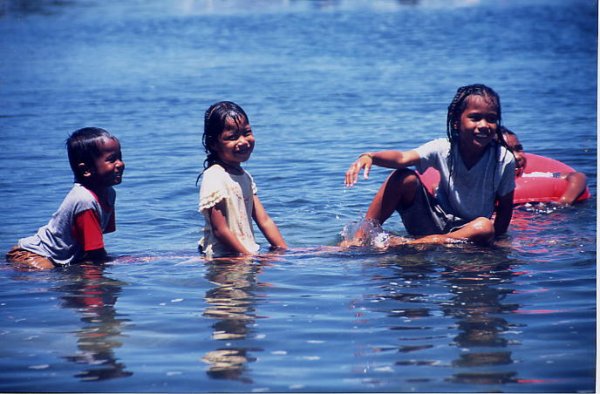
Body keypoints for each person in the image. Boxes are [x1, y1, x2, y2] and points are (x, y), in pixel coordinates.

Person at [344, 84, 515, 246]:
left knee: (484, 226)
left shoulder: (503, 159)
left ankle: (413, 244)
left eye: (491, 119)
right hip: (433, 221)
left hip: (468, 232)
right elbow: (403, 158)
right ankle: (361, 237)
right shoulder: (443, 148)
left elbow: (505, 209)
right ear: (456, 122)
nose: (484, 125)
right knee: (404, 177)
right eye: (475, 118)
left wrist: (495, 241)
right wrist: (371, 157)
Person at [6, 127, 125, 270]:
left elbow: (92, 247)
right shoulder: (85, 201)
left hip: (57, 257)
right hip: (31, 255)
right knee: (46, 274)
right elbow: (96, 255)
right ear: (86, 170)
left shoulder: (109, 193)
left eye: (120, 157)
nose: (120, 164)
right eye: (111, 160)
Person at [198, 101, 287, 258]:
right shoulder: (215, 176)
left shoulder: (244, 176)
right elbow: (220, 230)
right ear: (214, 144)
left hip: (244, 254)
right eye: (232, 137)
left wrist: (284, 250)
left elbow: (264, 221)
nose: (243, 141)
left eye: (246, 133)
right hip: (223, 259)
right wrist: (248, 257)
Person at [501, 126, 588, 206]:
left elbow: (576, 176)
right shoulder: (488, 185)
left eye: (519, 149)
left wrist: (565, 201)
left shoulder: (534, 176)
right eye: (507, 151)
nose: (518, 156)